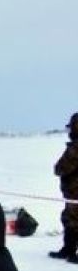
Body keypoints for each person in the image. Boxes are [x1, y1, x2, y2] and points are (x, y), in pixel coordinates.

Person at [49, 112, 78, 262]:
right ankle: (68, 249)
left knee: (74, 220)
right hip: (72, 194)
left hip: (75, 194)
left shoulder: (75, 149)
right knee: (69, 219)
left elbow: (62, 168)